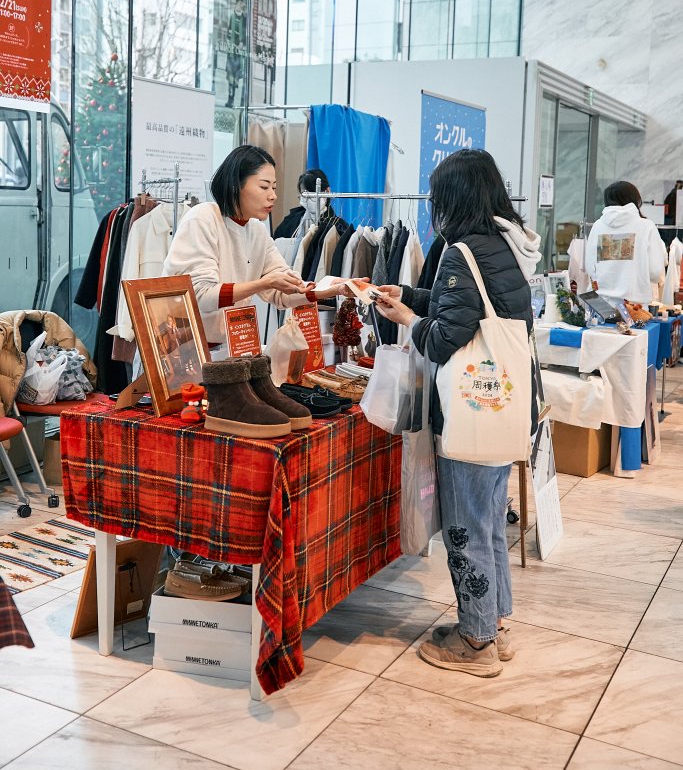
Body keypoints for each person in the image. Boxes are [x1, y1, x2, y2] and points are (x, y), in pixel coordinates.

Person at [375, 149, 540, 678]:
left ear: (455, 196)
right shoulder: (507, 244)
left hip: (470, 413)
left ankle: (475, 641)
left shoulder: (460, 251)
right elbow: (471, 307)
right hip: (501, 409)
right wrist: (412, 294)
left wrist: (407, 316)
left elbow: (445, 339)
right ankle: (495, 622)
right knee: (488, 522)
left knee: (466, 529)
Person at [163, 145, 345, 344]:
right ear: (236, 186)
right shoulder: (203, 218)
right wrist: (264, 283)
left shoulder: (257, 229)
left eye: (274, 188)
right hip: (184, 347)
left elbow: (282, 294)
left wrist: (332, 289)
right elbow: (200, 295)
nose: (273, 196)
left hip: (231, 344)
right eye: (264, 187)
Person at [585, 180, 666, 306]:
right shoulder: (646, 226)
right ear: (635, 199)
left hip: (602, 304)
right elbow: (655, 272)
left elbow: (590, 268)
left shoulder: (598, 226)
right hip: (634, 306)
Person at [273, 168, 334, 239]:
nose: (308, 198)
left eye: (312, 193)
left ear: (327, 191)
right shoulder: (290, 221)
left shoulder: (337, 225)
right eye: (304, 194)